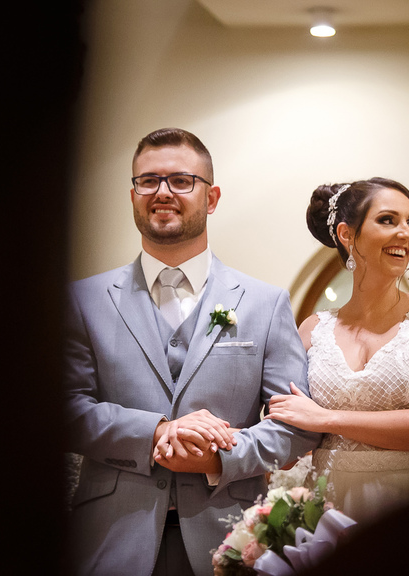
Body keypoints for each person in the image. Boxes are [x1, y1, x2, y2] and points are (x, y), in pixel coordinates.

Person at [63, 128, 320, 576]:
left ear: (211, 197)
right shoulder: (83, 300)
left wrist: (222, 456)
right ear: (133, 195)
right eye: (148, 181)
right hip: (111, 539)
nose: (162, 192)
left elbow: (295, 425)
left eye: (181, 181)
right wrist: (157, 433)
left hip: (232, 538)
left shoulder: (265, 303)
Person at [267, 179, 409, 523]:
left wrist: (327, 419)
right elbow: (288, 433)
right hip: (329, 501)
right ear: (347, 234)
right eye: (388, 220)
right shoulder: (312, 330)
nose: (406, 234)